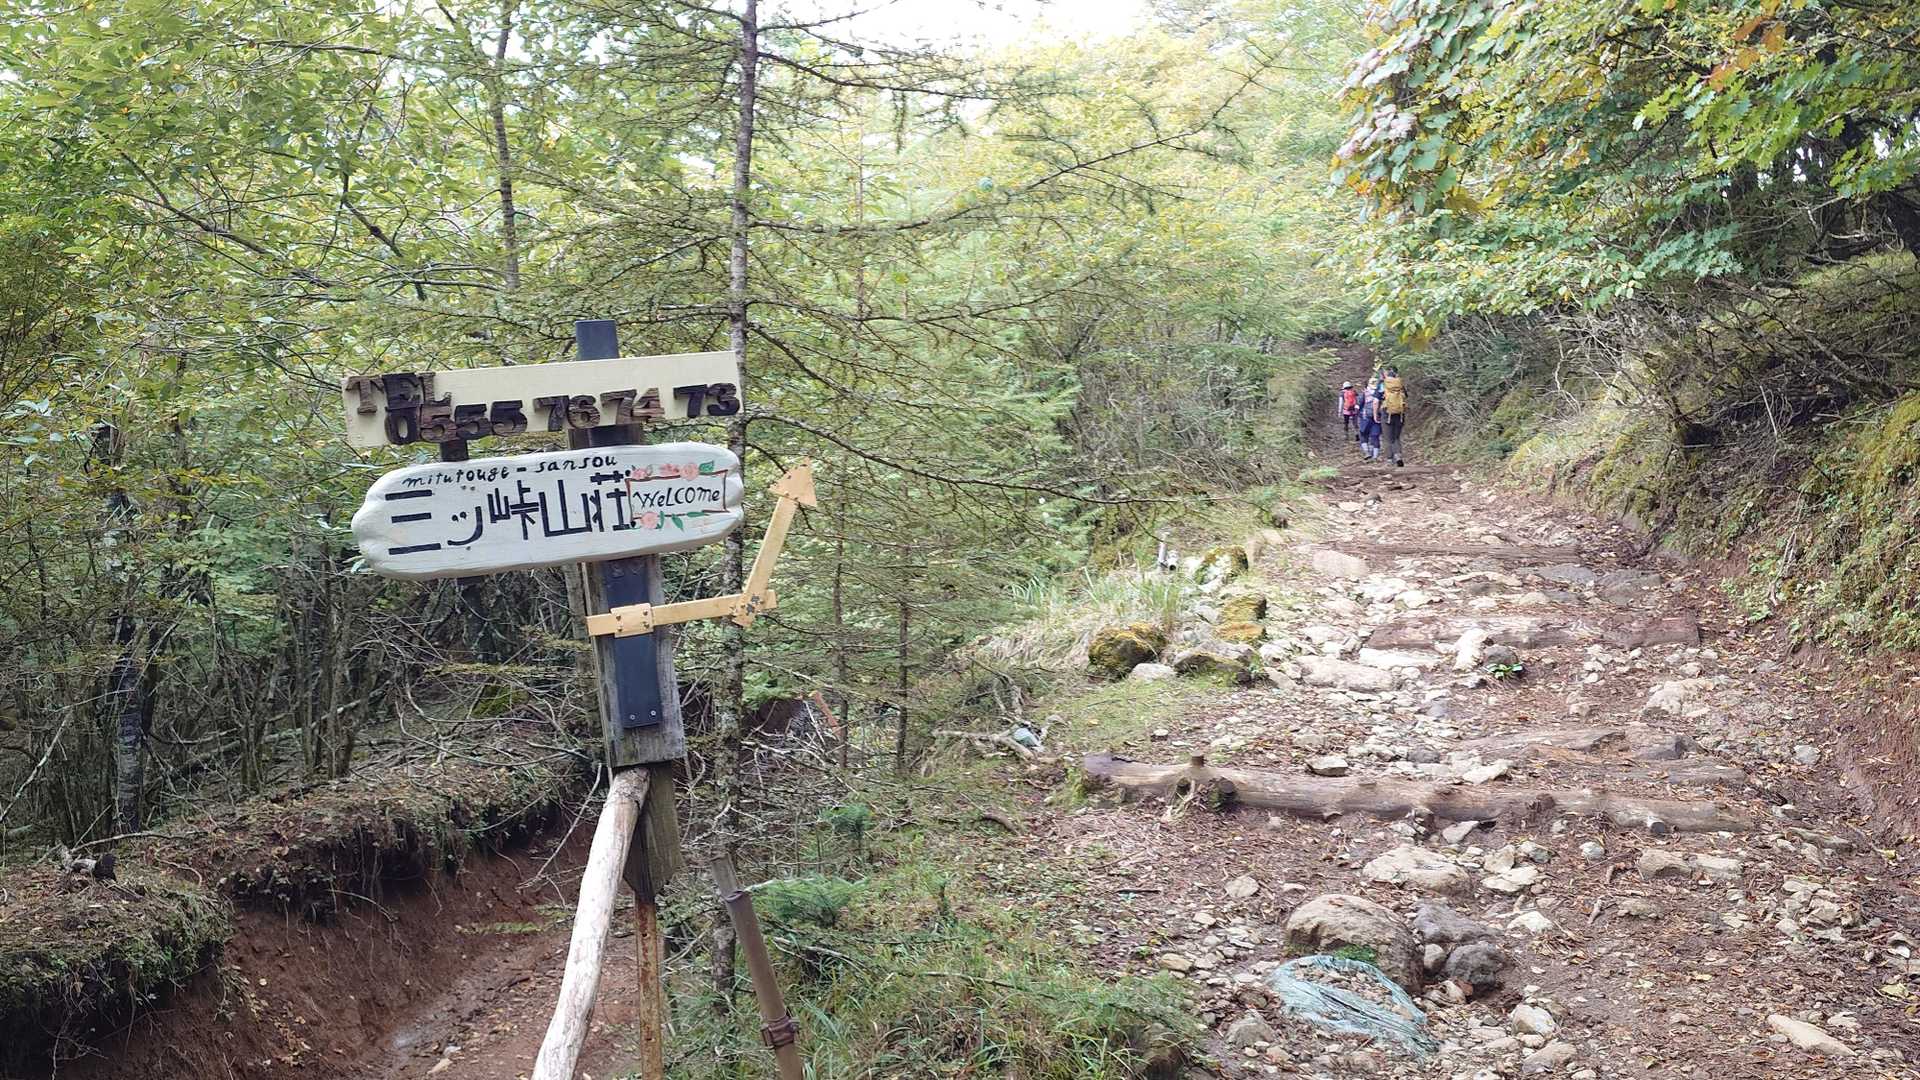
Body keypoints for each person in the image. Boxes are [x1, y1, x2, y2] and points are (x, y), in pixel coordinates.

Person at [1381, 366, 1407, 467]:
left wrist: (1375, 414)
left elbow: (1375, 400)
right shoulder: (1400, 385)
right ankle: (1398, 456)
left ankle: (1389, 459)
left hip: (1386, 413)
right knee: (1396, 437)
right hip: (1399, 414)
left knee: (1388, 438)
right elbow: (1405, 396)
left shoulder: (1383, 384)